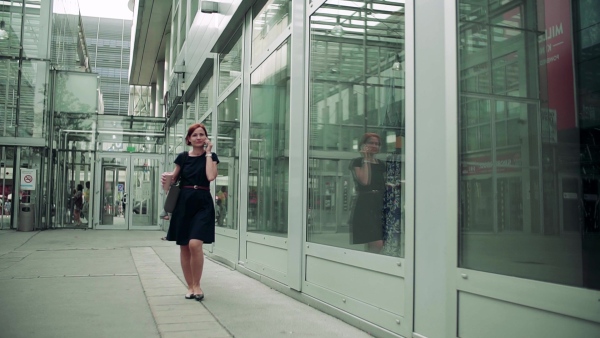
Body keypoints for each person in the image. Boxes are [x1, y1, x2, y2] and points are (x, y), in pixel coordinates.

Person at [161, 123, 219, 301]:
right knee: (185, 246)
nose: (199, 137)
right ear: (189, 139)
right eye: (195, 135)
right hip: (184, 203)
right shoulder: (183, 157)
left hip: (202, 202)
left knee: (195, 244)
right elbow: (172, 181)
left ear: (206, 138)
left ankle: (198, 285)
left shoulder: (211, 157)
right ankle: (190, 286)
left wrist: (209, 153)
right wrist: (166, 178)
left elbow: (210, 176)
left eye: (202, 134)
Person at [348, 133, 385, 253]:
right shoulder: (357, 162)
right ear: (363, 145)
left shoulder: (381, 164)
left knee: (376, 242)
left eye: (377, 144)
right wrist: (366, 159)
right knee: (376, 242)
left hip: (380, 203)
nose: (374, 146)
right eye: (371, 143)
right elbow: (365, 181)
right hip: (366, 203)